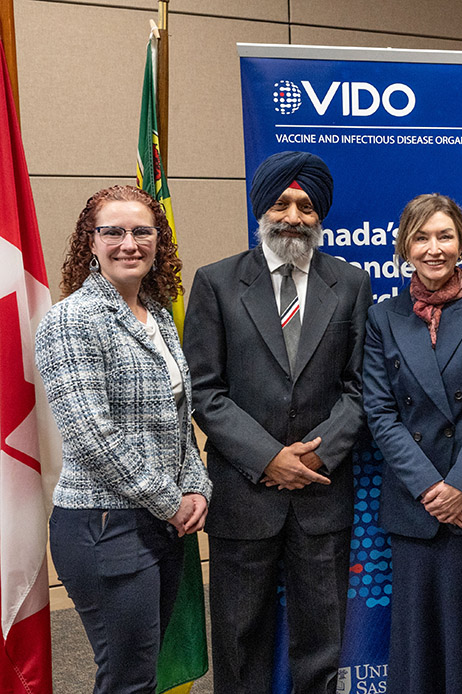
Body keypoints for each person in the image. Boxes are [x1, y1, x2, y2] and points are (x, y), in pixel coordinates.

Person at [184, 151, 372, 694]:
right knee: (240, 643)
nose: (294, 215)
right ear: (261, 208)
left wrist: (314, 456)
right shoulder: (216, 282)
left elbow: (360, 387)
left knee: (322, 640)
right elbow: (205, 389)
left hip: (321, 492)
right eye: (282, 203)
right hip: (244, 494)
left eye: (307, 206)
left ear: (321, 216)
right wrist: (268, 457)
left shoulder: (352, 284)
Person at [35, 185, 212, 694]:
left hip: (158, 522)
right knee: (126, 678)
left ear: (159, 241)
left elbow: (180, 420)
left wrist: (197, 486)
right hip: (103, 524)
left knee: (143, 672)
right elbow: (91, 432)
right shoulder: (72, 319)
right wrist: (171, 500)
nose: (128, 242)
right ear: (89, 242)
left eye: (142, 231)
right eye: (112, 231)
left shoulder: (156, 315)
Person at [364, 193, 462, 693]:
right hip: (416, 508)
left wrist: (459, 487)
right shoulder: (383, 317)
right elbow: (380, 412)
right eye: (421, 237)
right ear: (404, 247)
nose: (433, 248)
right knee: (417, 650)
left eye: (444, 236)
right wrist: (433, 490)